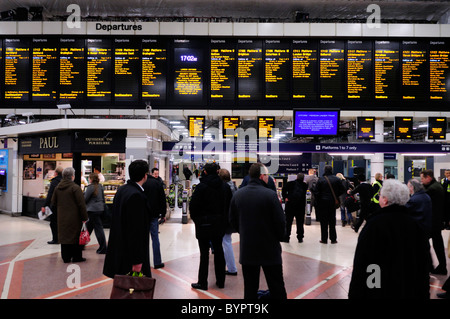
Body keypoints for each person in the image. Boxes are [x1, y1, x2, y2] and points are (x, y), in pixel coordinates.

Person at [348, 179, 430, 299]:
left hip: (382, 291)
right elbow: (423, 264)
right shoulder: (416, 226)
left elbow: (369, 264)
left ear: (385, 200)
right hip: (409, 290)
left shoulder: (374, 225)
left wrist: (366, 292)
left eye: (380, 195)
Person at [230, 163, 287, 299]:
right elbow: (280, 222)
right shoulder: (271, 195)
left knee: (250, 288)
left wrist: (244, 232)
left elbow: (232, 221)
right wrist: (278, 238)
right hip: (270, 249)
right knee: (277, 286)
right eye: (267, 175)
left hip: (248, 249)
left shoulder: (238, 195)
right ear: (262, 176)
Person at [103, 160, 152, 278]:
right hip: (129, 256)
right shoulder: (136, 196)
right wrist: (137, 260)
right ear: (145, 175)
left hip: (120, 249)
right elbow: (135, 231)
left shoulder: (122, 190)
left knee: (122, 286)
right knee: (132, 289)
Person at [189, 163, 232, 290]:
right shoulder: (224, 187)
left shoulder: (201, 187)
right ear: (217, 172)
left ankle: (202, 282)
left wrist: (198, 221)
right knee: (219, 251)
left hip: (203, 225)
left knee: (204, 254)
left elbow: (193, 207)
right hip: (219, 225)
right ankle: (221, 281)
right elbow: (228, 206)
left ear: (205, 172)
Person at [51, 167, 88, 263]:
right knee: (75, 237)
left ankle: (66, 257)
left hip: (62, 218)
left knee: (64, 238)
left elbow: (53, 202)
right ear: (72, 176)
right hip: (74, 218)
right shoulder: (75, 188)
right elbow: (81, 204)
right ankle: (77, 257)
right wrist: (85, 217)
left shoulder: (57, 188)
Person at [420, 169, 447, 275]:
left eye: (422, 178)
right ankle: (440, 266)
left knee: (424, 242)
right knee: (437, 244)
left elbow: (422, 197)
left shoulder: (432, 189)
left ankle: (430, 265)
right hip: (437, 221)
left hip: (432, 222)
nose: (421, 181)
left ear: (429, 177)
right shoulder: (437, 186)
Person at [311, 165, 345, 244]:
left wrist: (319, 200)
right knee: (332, 221)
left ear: (324, 170)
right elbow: (343, 190)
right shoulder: (337, 179)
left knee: (324, 222)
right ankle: (333, 239)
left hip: (323, 203)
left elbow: (316, 192)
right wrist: (336, 196)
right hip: (333, 203)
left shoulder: (321, 180)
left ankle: (324, 239)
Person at [143, 167, 167, 269]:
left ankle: (143, 263)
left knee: (143, 240)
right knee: (155, 238)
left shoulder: (142, 184)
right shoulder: (157, 184)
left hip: (143, 215)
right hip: (154, 215)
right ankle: (157, 262)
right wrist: (163, 214)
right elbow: (162, 199)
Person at [218, 168, 238, 276]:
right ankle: (230, 267)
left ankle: (232, 268)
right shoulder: (233, 186)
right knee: (227, 241)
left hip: (226, 219)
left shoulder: (225, 188)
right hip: (232, 218)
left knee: (226, 242)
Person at [84, 172, 107, 254]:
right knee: (89, 227)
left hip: (92, 210)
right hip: (99, 209)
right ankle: (82, 244)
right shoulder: (100, 186)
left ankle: (103, 247)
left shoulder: (90, 187)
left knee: (98, 228)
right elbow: (103, 199)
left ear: (91, 179)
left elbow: (85, 198)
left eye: (89, 178)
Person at [281, 173, 307, 243]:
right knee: (300, 223)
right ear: (303, 178)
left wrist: (285, 197)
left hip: (290, 205)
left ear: (296, 177)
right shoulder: (305, 185)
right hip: (300, 207)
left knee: (288, 222)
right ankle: (300, 237)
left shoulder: (290, 183)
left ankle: (286, 237)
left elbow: (283, 190)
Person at [42, 166, 63, 244]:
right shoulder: (65, 181)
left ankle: (56, 239)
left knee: (53, 223)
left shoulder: (54, 182)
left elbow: (50, 195)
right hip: (64, 206)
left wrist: (44, 205)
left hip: (55, 205)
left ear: (56, 173)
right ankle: (62, 238)